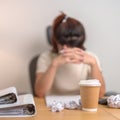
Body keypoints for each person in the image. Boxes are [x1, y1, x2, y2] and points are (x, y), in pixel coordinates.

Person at [34, 12, 106, 98]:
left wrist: (94, 64)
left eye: (74, 45)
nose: (70, 50)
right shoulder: (45, 57)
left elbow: (101, 94)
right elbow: (40, 93)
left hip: (82, 104)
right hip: (53, 105)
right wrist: (54, 64)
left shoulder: (91, 58)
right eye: (65, 45)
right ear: (56, 41)